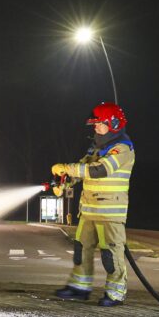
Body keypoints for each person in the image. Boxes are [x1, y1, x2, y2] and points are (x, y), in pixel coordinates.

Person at [52, 102, 135, 306]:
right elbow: (83, 169)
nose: (95, 128)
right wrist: (64, 182)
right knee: (82, 250)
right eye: (95, 124)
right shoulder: (98, 149)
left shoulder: (122, 149)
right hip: (88, 211)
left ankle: (115, 293)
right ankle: (80, 287)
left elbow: (99, 170)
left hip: (110, 214)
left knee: (111, 255)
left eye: (99, 124)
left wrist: (67, 168)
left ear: (113, 124)